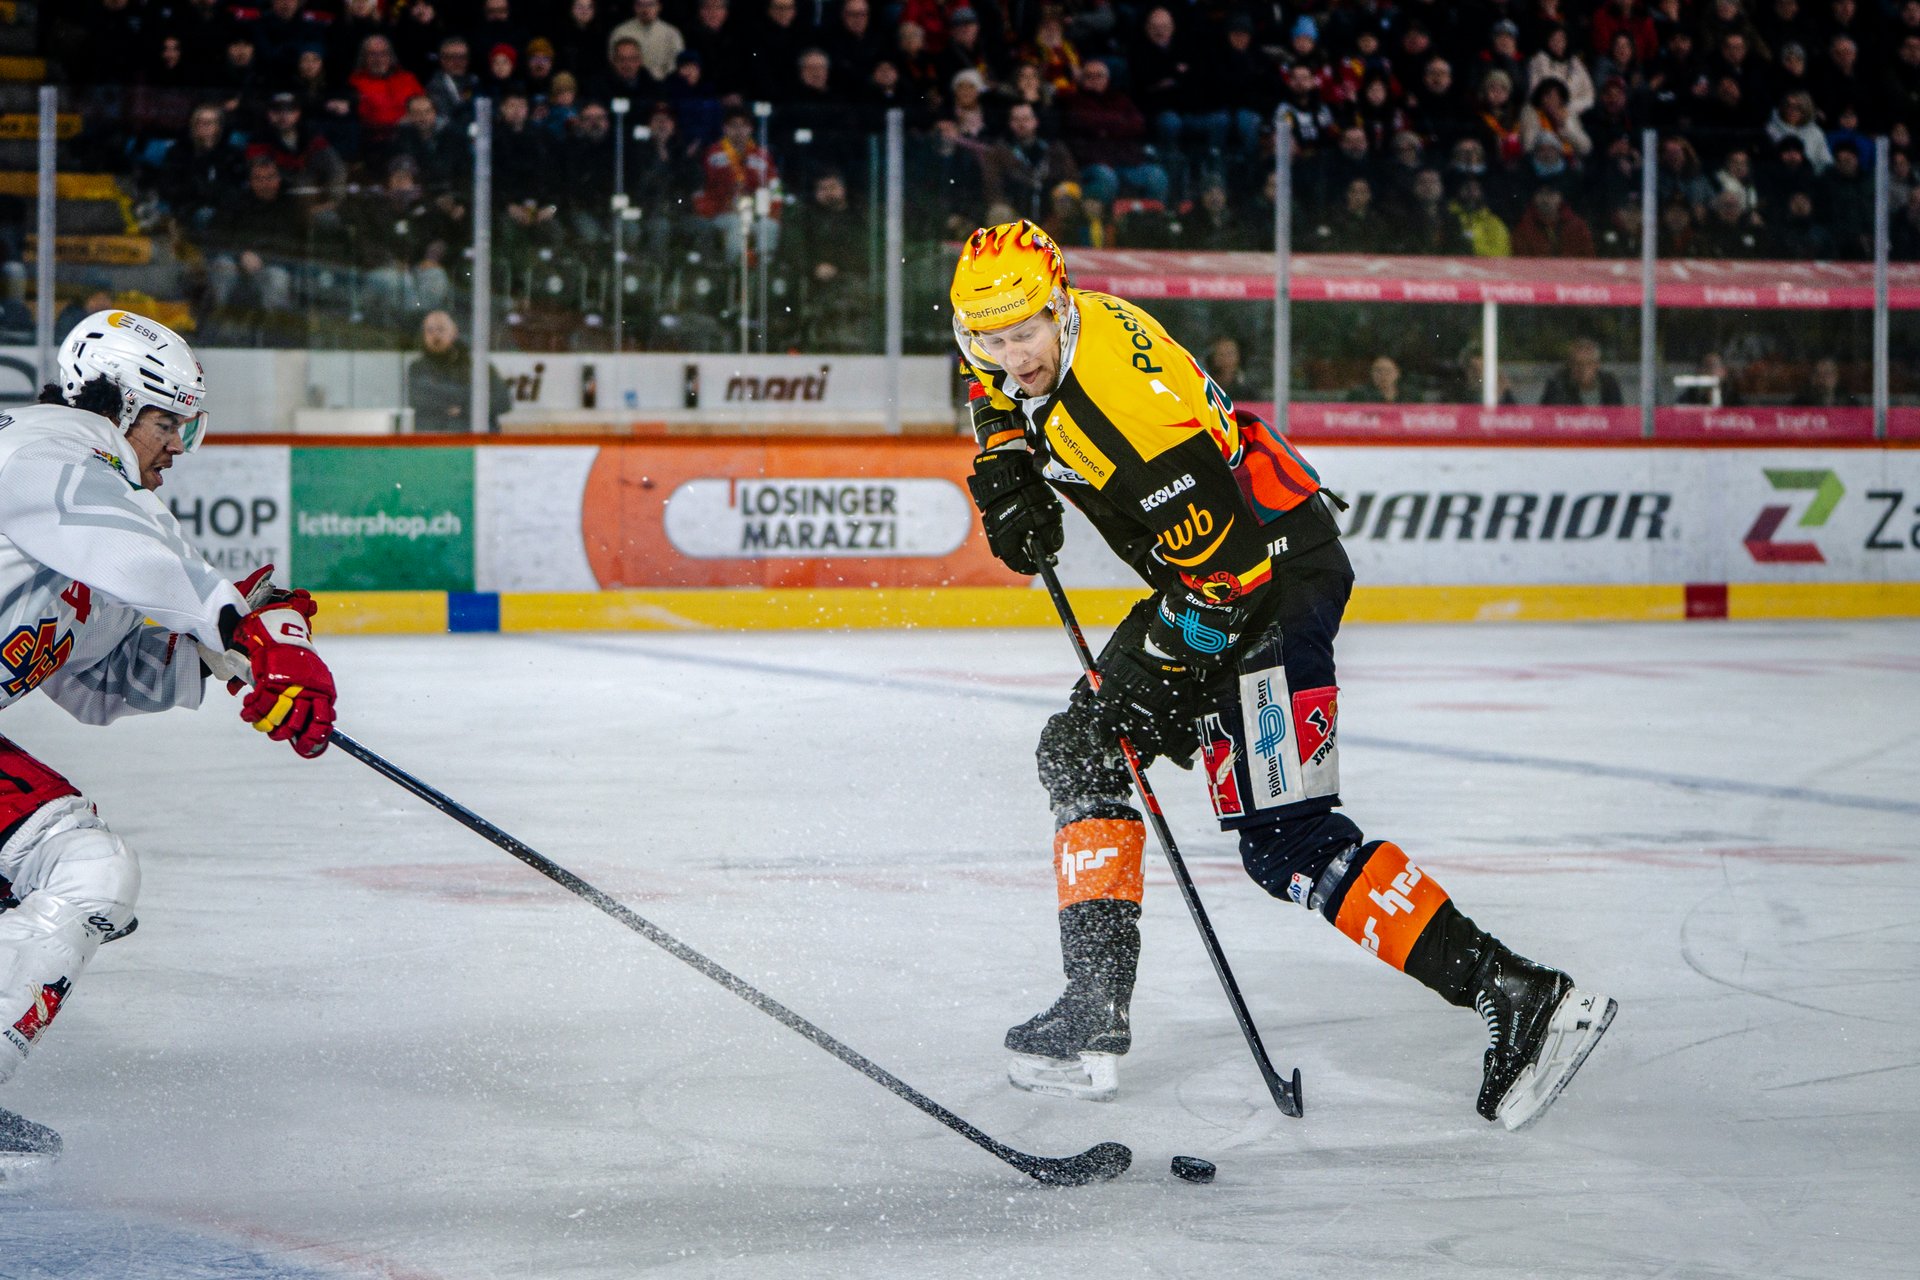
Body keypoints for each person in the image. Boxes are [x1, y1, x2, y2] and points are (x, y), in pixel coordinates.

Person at [950, 221, 1615, 1127]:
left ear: (1059, 309)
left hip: (1270, 583)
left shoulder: (1126, 410)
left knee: (1287, 840)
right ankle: (1093, 1009)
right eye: (990, 335)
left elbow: (1231, 582)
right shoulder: (1043, 331)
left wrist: (1160, 670)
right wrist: (1002, 455)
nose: (1011, 354)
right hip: (1217, 574)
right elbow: (995, 380)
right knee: (1084, 749)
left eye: (1024, 332)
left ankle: (1517, 992)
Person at [0, 310, 337, 1174]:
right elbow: (133, 550)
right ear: (113, 403)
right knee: (83, 869)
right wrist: (233, 622)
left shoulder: (98, 521)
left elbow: (99, 676)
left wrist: (226, 660)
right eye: (167, 421)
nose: (179, 446)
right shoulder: (46, 448)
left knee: (78, 866)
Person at [406, 310, 510, 432]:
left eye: (441, 329)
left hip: (472, 438)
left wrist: (463, 408)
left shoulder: (478, 367)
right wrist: (468, 396)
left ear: (454, 332)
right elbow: (417, 400)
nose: (435, 335)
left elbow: (503, 402)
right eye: (429, 330)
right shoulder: (417, 368)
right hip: (432, 438)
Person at [1541, 337, 1626, 405]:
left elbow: (1619, 416)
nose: (1583, 369)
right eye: (1577, 364)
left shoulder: (1609, 384)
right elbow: (1545, 416)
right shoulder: (1557, 385)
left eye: (1588, 363)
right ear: (1570, 365)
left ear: (1597, 365)